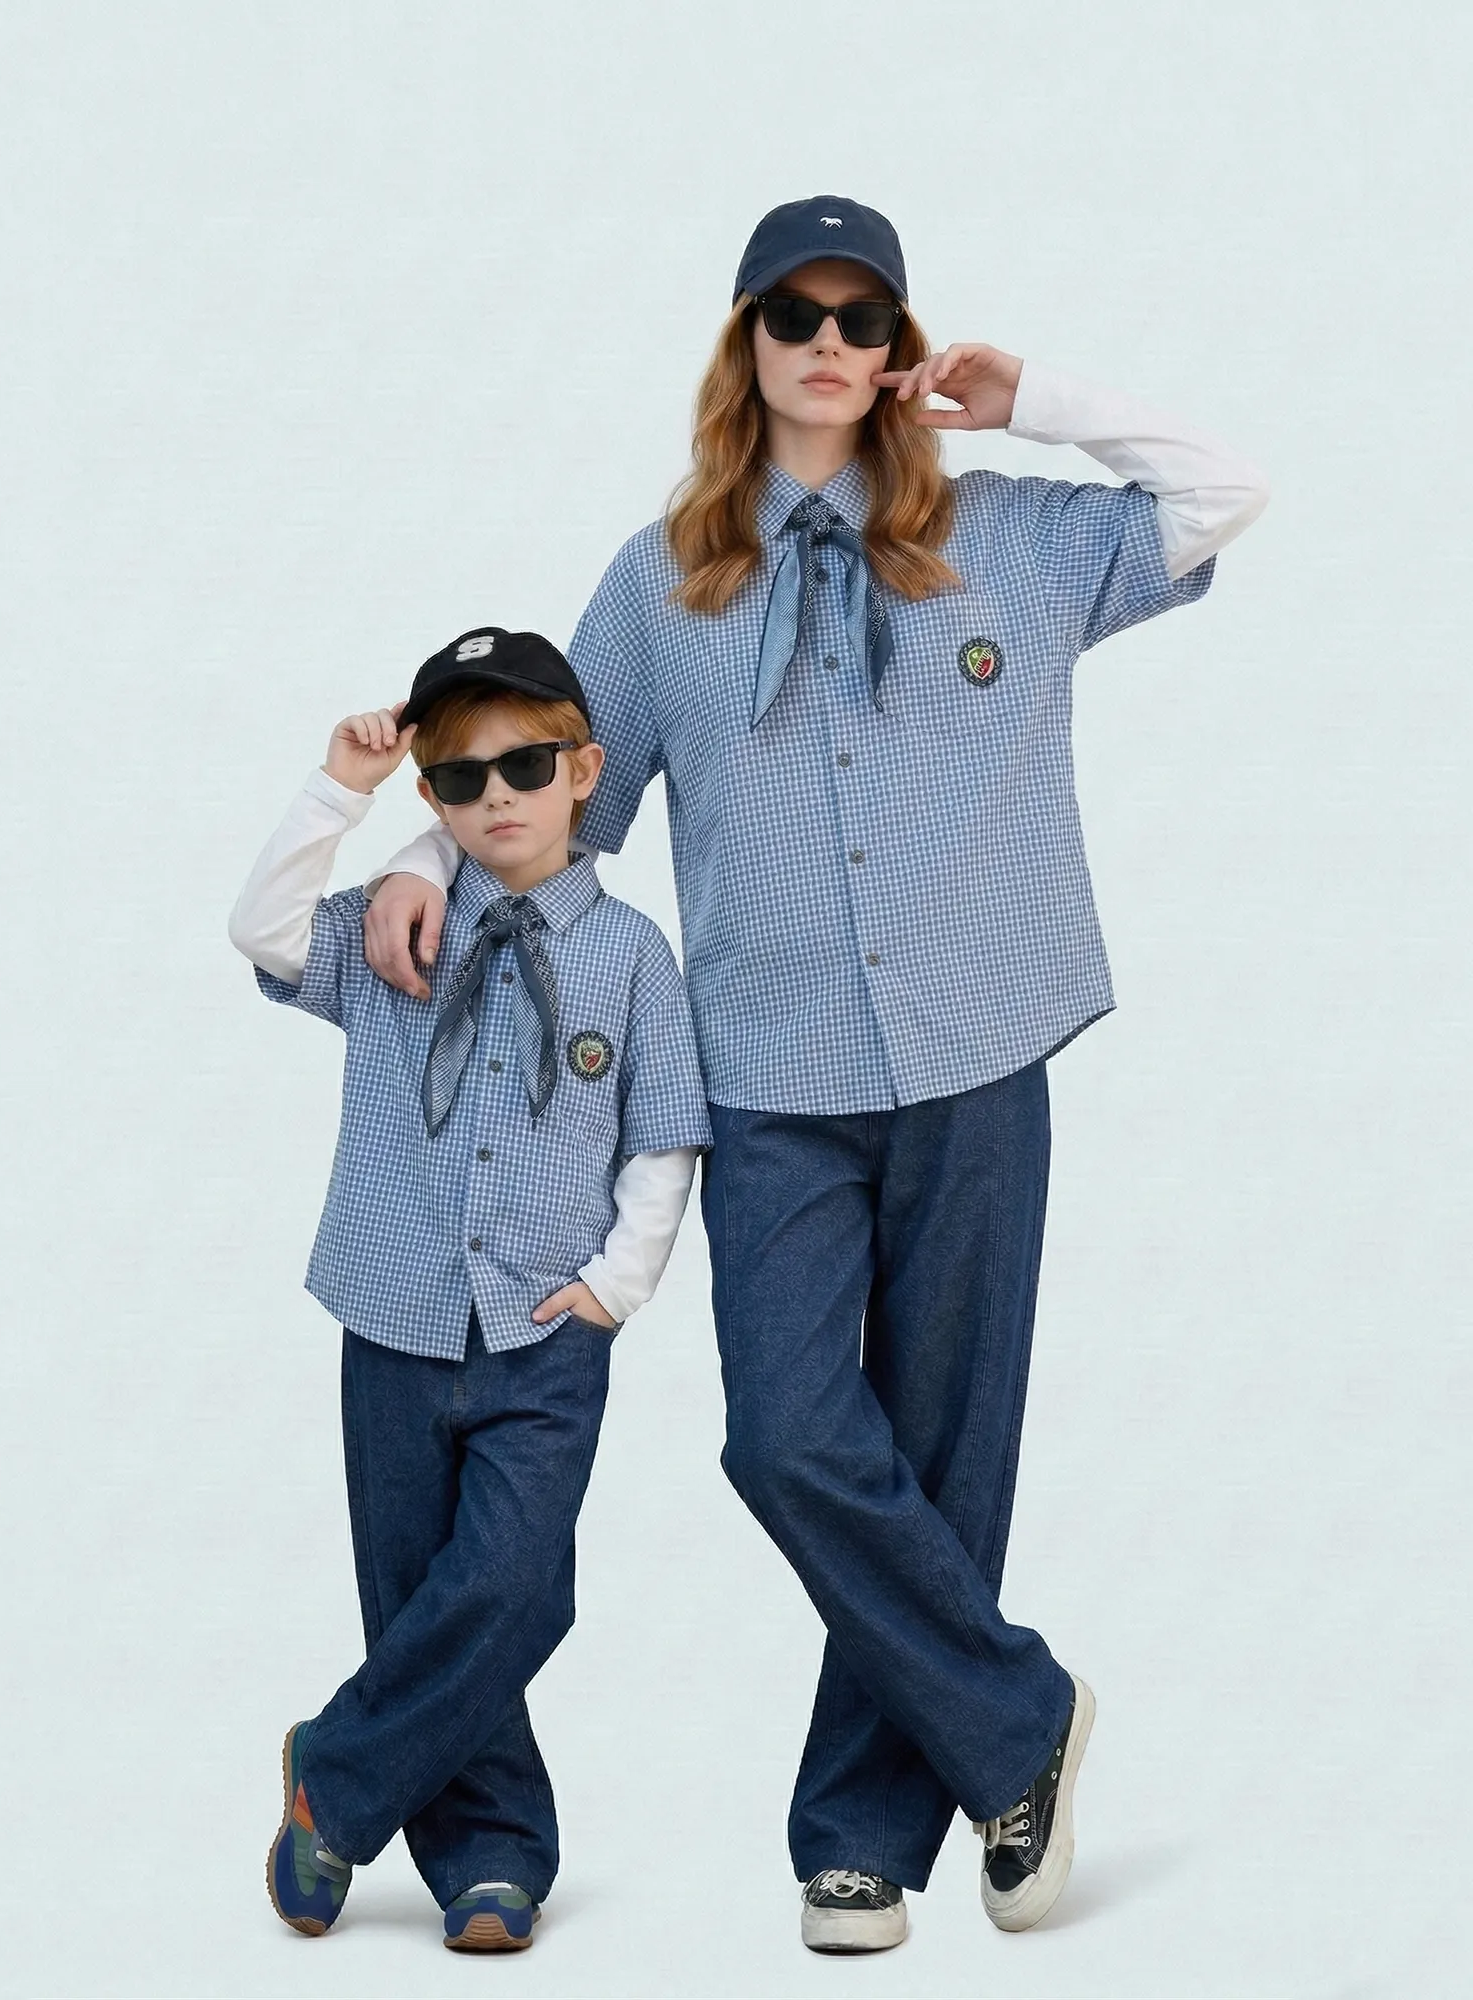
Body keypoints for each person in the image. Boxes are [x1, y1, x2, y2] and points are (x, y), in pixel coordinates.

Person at [363, 196, 1270, 1952]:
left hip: (984, 1048)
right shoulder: (665, 581)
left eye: (868, 315)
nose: (834, 343)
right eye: (800, 312)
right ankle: (1023, 1721)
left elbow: (1228, 494)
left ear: (901, 341)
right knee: (788, 1437)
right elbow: (560, 796)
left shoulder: (1006, 538)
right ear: (749, 340)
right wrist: (419, 853)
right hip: (770, 1076)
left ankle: (869, 1830)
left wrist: (1042, 396)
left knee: (942, 1448)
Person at [228, 627, 711, 1951]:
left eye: (527, 763)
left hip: (547, 1331)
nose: (495, 794)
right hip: (390, 1314)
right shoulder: (400, 933)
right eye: (458, 778)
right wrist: (344, 793)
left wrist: (620, 1285)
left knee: (512, 1584)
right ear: (430, 799)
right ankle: (489, 1857)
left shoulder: (631, 955)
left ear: (583, 771)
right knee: (418, 1594)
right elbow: (261, 931)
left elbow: (665, 1132)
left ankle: (332, 1779)